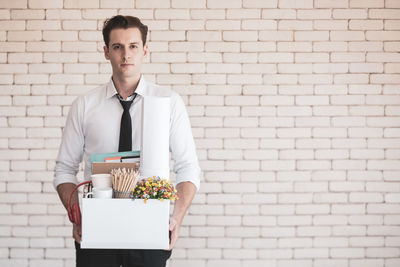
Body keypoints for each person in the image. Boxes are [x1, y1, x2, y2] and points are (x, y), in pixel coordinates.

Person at [53, 15, 201, 267]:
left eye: (133, 46)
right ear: (106, 52)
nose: (126, 55)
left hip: (151, 230)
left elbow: (188, 168)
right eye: (117, 47)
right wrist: (77, 215)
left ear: (145, 50)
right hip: (97, 230)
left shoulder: (169, 103)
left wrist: (176, 216)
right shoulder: (85, 105)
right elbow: (64, 170)